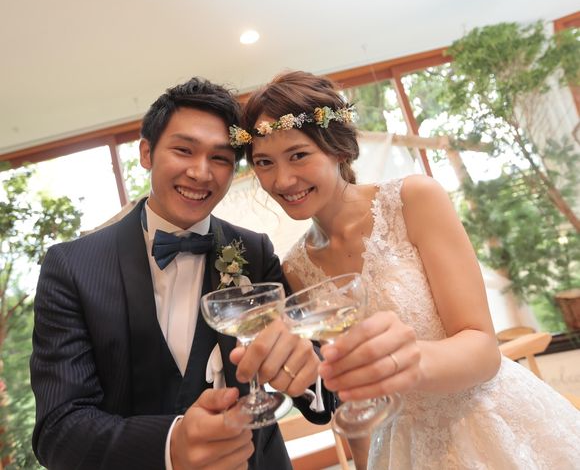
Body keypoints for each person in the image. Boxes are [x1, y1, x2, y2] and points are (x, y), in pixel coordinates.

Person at [237, 70, 580, 469]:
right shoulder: (296, 267)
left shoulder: (413, 200)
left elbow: (483, 349)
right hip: (402, 448)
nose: (282, 180)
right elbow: (352, 402)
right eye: (264, 162)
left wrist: (402, 361)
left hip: (489, 422)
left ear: (338, 149)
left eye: (298, 155)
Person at [30, 76, 332, 470]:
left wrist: (307, 372)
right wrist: (170, 445)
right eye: (184, 150)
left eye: (220, 158)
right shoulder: (72, 267)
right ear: (146, 153)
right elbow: (58, 430)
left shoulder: (255, 251)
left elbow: (319, 388)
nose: (201, 173)